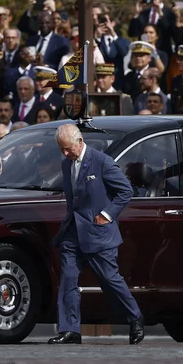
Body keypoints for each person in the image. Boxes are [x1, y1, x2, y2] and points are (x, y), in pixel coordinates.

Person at [48, 124, 144, 345]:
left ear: (80, 142)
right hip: (73, 232)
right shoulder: (66, 164)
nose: (65, 154)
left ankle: (135, 317)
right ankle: (70, 329)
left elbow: (125, 191)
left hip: (98, 232)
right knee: (68, 279)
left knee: (110, 280)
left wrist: (107, 215)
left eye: (67, 148)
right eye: (61, 149)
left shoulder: (102, 162)